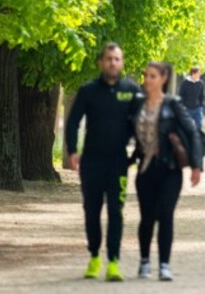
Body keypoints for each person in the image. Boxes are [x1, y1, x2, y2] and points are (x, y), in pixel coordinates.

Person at [65, 43, 140, 282]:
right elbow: (73, 121)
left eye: (117, 59)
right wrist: (73, 151)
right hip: (91, 162)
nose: (112, 63)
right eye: (108, 59)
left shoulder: (131, 90)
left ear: (122, 62)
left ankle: (114, 262)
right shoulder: (88, 91)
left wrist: (138, 154)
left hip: (118, 162)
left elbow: (142, 124)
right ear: (101, 62)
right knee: (91, 210)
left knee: (116, 212)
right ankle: (95, 256)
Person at [130, 62, 203, 282]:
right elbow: (124, 132)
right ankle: (144, 262)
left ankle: (164, 265)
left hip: (170, 169)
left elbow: (193, 133)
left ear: (163, 78)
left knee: (166, 216)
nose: (147, 80)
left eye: (152, 76)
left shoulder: (173, 105)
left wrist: (196, 166)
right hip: (145, 169)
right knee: (147, 217)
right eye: (146, 76)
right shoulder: (137, 105)